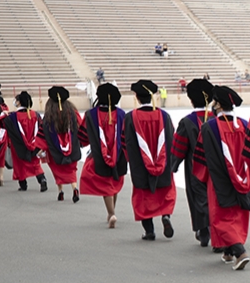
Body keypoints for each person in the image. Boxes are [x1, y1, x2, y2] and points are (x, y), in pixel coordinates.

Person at [192, 85, 250, 269]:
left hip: (218, 180)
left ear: (218, 104)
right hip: (244, 177)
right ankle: (228, 252)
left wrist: (200, 177)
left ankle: (239, 251)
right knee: (237, 213)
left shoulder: (209, 127)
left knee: (220, 217)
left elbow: (201, 159)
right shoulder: (244, 125)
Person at [123, 80, 176, 241]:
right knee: (164, 192)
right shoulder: (164, 116)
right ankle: (166, 215)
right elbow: (171, 139)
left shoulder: (130, 117)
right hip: (163, 163)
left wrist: (130, 160)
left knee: (143, 197)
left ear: (137, 98)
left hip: (140, 166)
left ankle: (149, 230)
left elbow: (126, 143)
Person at [171, 78, 215, 247]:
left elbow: (180, 147)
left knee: (199, 199)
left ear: (190, 99)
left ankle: (203, 231)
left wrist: (173, 165)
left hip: (195, 168)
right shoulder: (216, 118)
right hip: (217, 167)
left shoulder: (187, 122)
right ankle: (216, 228)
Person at [78, 83, 127, 227]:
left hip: (99, 155)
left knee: (105, 184)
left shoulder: (90, 114)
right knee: (115, 181)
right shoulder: (121, 114)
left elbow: (84, 136)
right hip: (119, 154)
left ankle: (111, 214)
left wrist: (83, 143)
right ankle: (112, 211)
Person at [38, 86, 82, 202]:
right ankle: (75, 188)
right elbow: (81, 127)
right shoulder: (73, 113)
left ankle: (61, 192)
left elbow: (44, 135)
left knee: (58, 171)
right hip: (72, 148)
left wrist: (41, 148)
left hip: (55, 151)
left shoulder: (48, 117)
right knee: (71, 170)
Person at [2, 91, 48, 192]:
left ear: (19, 102)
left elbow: (2, 124)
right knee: (35, 164)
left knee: (20, 165)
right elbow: (42, 128)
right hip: (34, 144)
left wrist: (3, 114)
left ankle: (23, 185)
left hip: (19, 146)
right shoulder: (35, 115)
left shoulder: (13, 117)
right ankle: (42, 179)